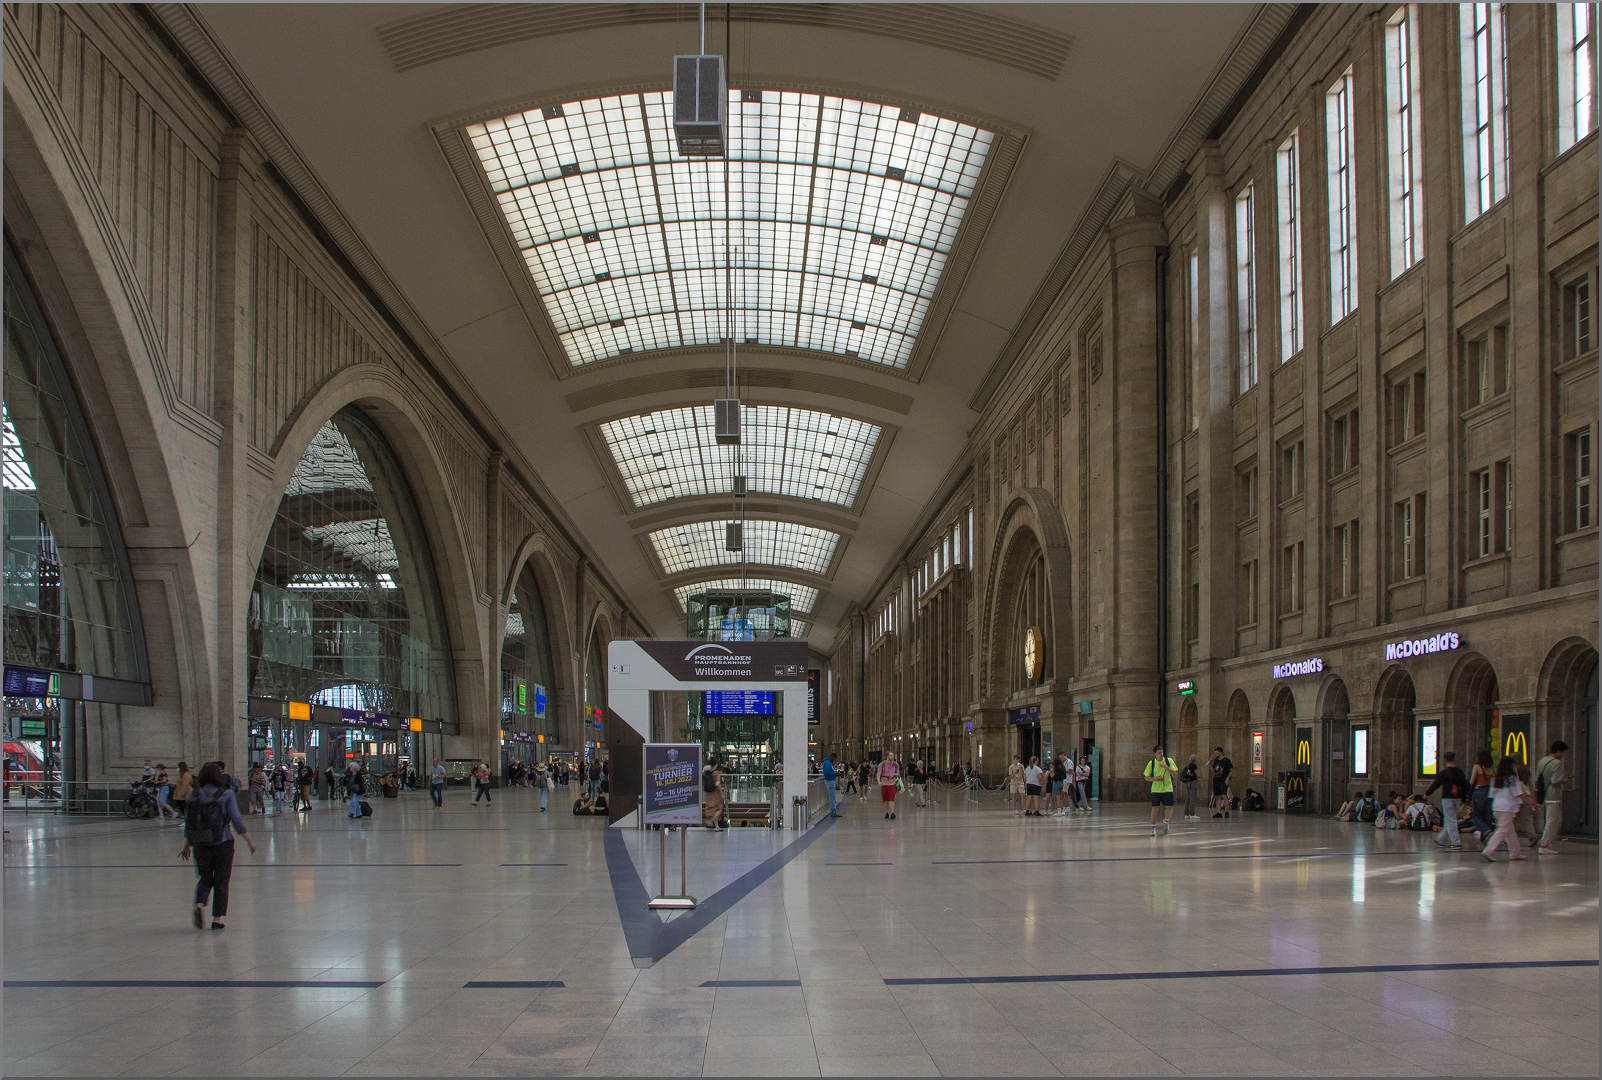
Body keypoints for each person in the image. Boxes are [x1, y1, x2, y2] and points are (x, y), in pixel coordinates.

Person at [180, 761, 256, 930]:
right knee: (222, 881)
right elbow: (236, 819)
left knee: (205, 878)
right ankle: (217, 920)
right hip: (222, 842)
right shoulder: (226, 793)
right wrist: (249, 840)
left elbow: (188, 821)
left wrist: (187, 844)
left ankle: (199, 904)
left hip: (200, 843)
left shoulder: (194, 794)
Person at [1482, 755, 1532, 862]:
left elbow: (1491, 794)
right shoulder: (1512, 778)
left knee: (1510, 831)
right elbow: (1518, 793)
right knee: (1502, 830)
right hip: (1508, 807)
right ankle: (1488, 850)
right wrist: (1531, 801)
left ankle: (1515, 853)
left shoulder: (1496, 778)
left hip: (1497, 806)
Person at [1424, 751, 1469, 849]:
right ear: (1454, 758)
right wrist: (1464, 798)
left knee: (1451, 819)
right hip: (1457, 798)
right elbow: (1464, 786)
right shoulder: (1460, 772)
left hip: (1447, 798)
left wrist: (1427, 793)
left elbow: (1436, 784)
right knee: (1449, 819)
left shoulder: (1444, 773)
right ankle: (1441, 839)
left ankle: (1456, 842)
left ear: (1444, 760)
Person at [1533, 741, 1569, 856]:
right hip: (1553, 794)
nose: (1563, 755)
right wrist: (1563, 780)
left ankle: (1549, 842)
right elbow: (1555, 781)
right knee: (1552, 820)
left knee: (1554, 819)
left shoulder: (1542, 761)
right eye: (1562, 753)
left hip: (1544, 792)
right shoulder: (1557, 763)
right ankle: (1544, 844)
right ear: (1558, 751)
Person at [1144, 745, 1178, 835]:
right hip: (1156, 789)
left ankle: (1166, 820)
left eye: (1162, 752)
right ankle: (1153, 827)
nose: (1161, 755)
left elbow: (1175, 773)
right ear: (1155, 754)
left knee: (1170, 806)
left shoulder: (1169, 761)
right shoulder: (1151, 763)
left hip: (1167, 788)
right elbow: (1146, 777)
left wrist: (1166, 767)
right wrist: (1155, 779)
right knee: (1155, 808)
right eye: (1159, 753)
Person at [1467, 749, 1497, 841]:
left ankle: (1485, 830)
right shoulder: (1491, 767)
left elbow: (1472, 781)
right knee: (1487, 814)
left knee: (1475, 815)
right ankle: (1485, 837)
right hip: (1489, 791)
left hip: (1479, 790)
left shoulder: (1477, 766)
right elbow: (1495, 777)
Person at [1208, 747, 1233, 819]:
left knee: (1224, 795)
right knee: (1217, 796)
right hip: (1216, 780)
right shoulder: (1215, 761)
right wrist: (1210, 764)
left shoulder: (1226, 761)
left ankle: (1226, 811)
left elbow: (1231, 770)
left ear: (1220, 752)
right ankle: (1218, 812)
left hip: (1223, 779)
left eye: (1216, 753)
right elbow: (1214, 771)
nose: (1215, 754)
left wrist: (1227, 779)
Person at [877, 755, 900, 819]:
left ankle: (892, 812)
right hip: (884, 784)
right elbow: (878, 774)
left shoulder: (895, 764)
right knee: (886, 799)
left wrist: (894, 774)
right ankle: (887, 812)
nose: (892, 757)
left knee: (891, 799)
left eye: (893, 755)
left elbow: (898, 773)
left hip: (892, 784)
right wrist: (879, 782)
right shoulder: (882, 764)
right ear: (887, 756)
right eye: (891, 755)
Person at [1179, 755, 1200, 820]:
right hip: (1193, 783)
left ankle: (1186, 813)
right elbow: (1199, 774)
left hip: (1188, 783)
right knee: (1192, 798)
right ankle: (1192, 814)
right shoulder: (1194, 766)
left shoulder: (1188, 766)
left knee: (1188, 798)